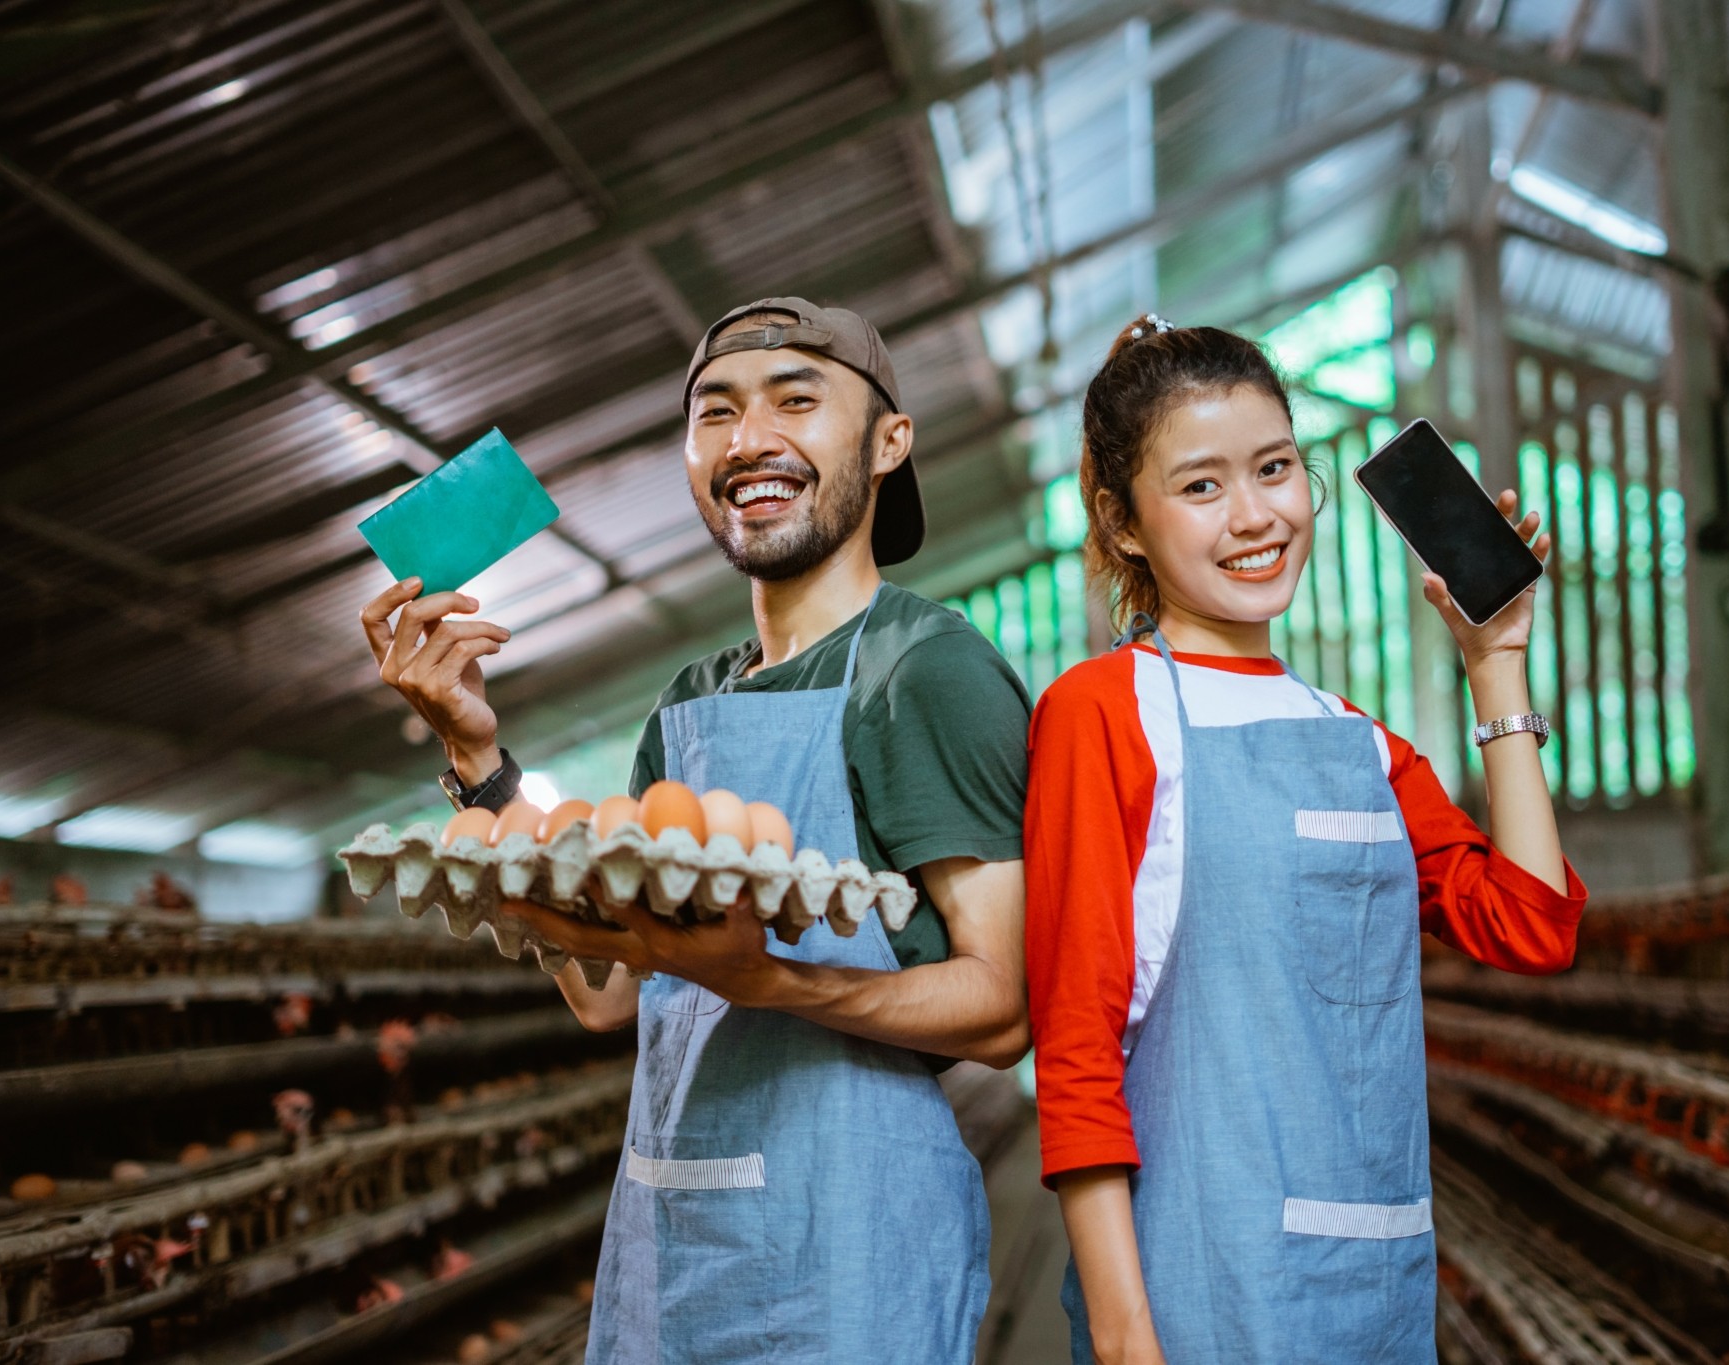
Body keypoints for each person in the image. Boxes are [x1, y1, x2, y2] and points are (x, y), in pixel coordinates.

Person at [358, 298, 1032, 1364]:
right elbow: (606, 995)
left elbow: (1001, 1009)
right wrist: (476, 758)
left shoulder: (923, 669)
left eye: (796, 402)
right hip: (672, 1233)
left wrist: (767, 980)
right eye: (715, 412)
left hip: (846, 1253)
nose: (748, 439)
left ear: (889, 441)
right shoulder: (689, 703)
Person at [1024, 315, 1587, 1363]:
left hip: (1370, 1295)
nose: (1255, 515)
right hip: (1197, 1296)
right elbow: (1075, 1044)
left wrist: (1494, 665)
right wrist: (1124, 1337)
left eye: (1274, 468)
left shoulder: (1359, 744)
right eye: (1201, 485)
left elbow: (1530, 927)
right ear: (1123, 523)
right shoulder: (1102, 713)